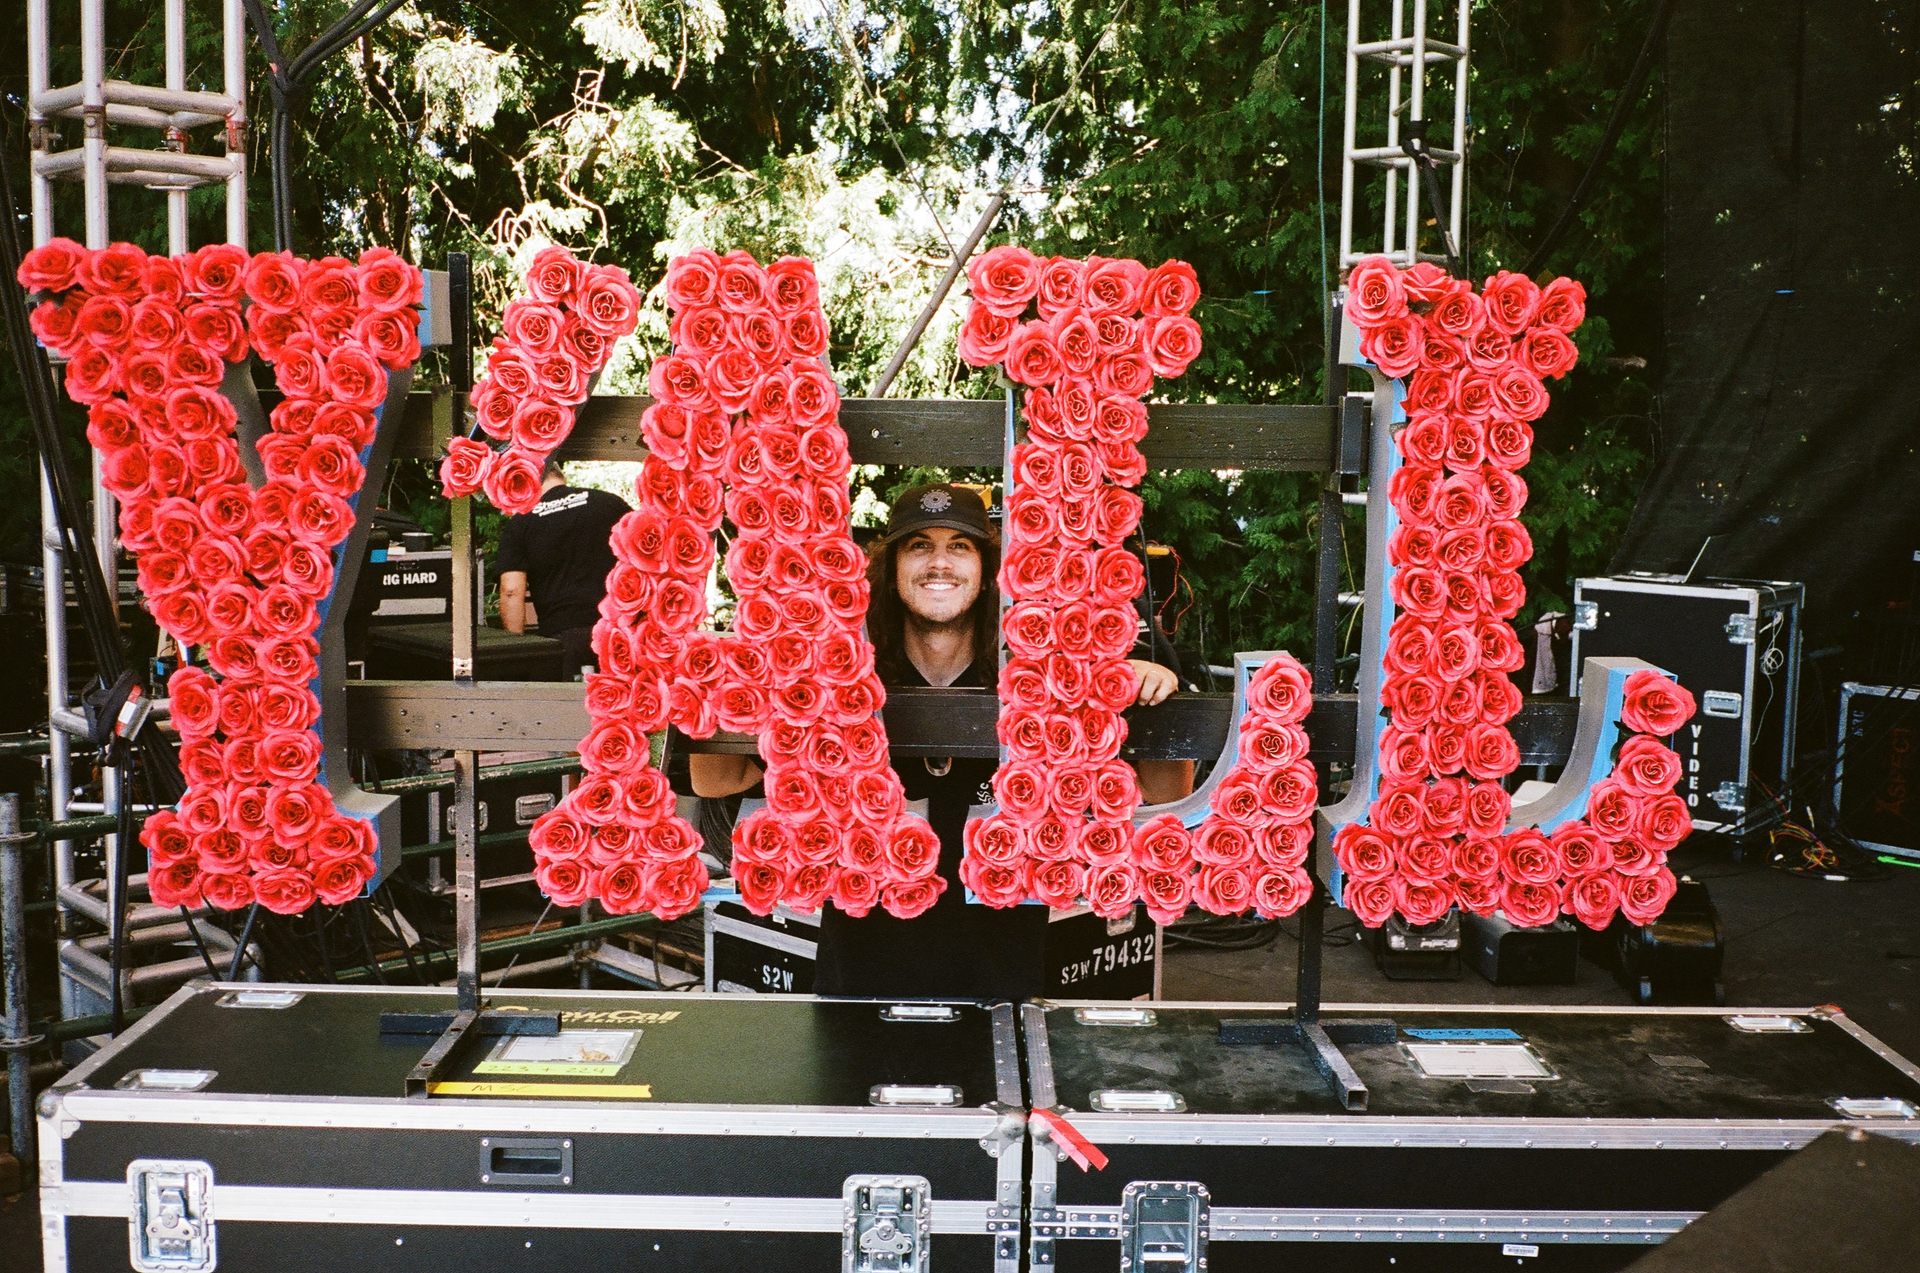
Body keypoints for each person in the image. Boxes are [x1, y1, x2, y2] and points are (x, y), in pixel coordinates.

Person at [691, 483, 1185, 1000]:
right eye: (919, 545)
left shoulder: (1038, 680)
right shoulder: (844, 677)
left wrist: (1146, 692)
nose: (939, 563)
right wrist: (730, 685)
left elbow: (1165, 792)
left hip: (1002, 984)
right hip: (858, 981)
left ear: (989, 568)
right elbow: (714, 778)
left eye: (960, 546)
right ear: (892, 567)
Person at [495, 457, 632, 679]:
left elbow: (511, 591)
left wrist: (518, 656)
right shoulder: (610, 503)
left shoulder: (520, 523)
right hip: (619, 635)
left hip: (562, 641)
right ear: (560, 475)